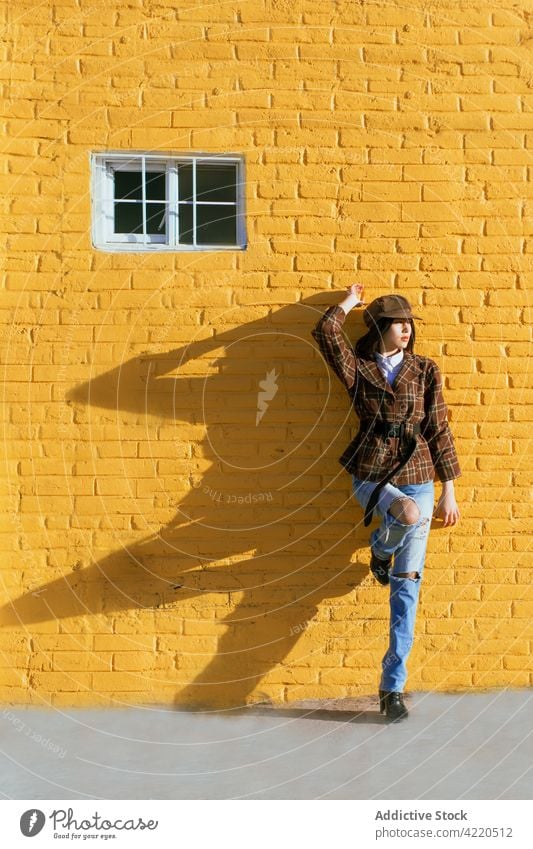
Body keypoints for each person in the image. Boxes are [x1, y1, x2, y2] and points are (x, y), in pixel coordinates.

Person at [311, 284, 461, 721]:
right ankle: (380, 548)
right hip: (370, 473)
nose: (406, 330)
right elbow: (325, 332)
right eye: (398, 323)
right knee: (407, 516)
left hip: (419, 476)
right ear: (380, 328)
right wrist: (347, 303)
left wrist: (448, 487)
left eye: (409, 323)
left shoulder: (424, 369)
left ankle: (391, 688)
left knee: (406, 588)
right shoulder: (358, 370)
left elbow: (439, 427)